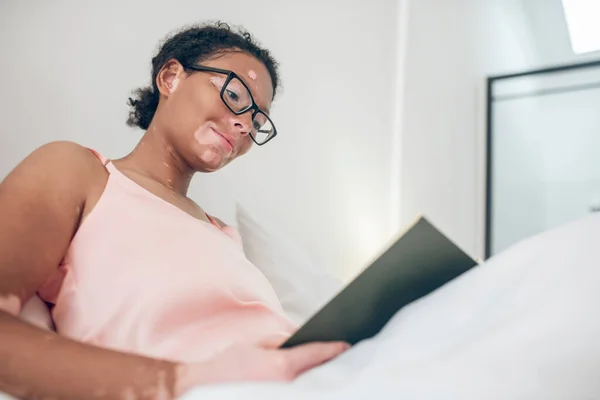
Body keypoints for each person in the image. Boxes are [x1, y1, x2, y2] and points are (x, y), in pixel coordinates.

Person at [0, 21, 348, 400]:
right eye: (234, 95)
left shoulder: (224, 235)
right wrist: (183, 381)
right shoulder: (79, 172)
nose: (244, 126)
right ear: (170, 77)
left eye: (258, 121)